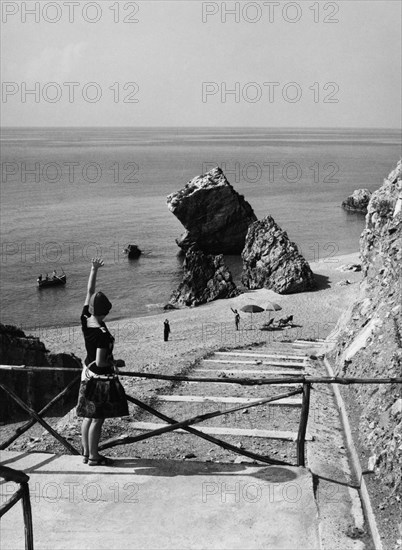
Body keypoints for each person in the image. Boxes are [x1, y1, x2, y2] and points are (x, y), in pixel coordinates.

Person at [76, 258, 129, 466]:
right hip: (98, 379)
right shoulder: (102, 334)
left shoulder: (85, 318)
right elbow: (100, 360)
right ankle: (94, 457)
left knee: (87, 417)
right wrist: (116, 363)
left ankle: (85, 454)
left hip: (86, 373)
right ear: (105, 311)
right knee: (97, 418)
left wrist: (93, 269)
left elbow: (89, 292)